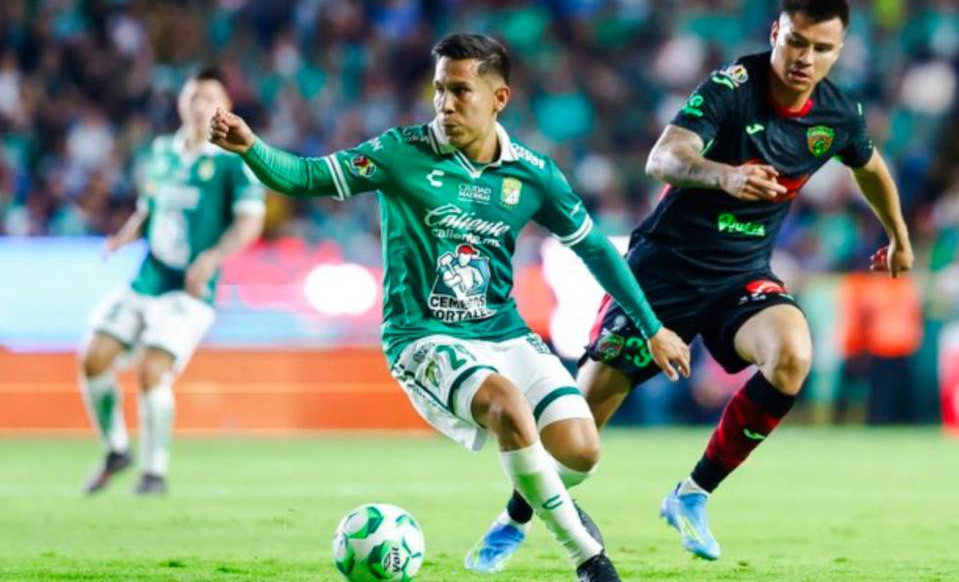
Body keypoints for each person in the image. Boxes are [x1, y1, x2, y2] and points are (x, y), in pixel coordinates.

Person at [208, 33, 689, 582]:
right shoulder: (401, 152)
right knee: (507, 406)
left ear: (498, 98)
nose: (445, 104)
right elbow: (305, 176)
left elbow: (596, 249)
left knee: (581, 450)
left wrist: (651, 327)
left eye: (460, 90)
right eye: (439, 90)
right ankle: (589, 558)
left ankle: (520, 513)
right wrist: (250, 146)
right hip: (423, 336)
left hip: (503, 332)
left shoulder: (532, 173)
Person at [471, 0, 914, 565]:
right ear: (776, 33)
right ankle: (515, 518)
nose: (806, 59)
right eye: (798, 42)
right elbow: (663, 159)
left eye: (823, 49)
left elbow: (870, 166)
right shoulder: (733, 88)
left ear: (839, 49)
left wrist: (899, 237)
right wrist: (724, 176)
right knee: (578, 438)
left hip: (740, 276)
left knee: (792, 356)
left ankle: (692, 493)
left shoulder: (836, 112)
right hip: (663, 273)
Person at [79, 68, 266, 495]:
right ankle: (115, 449)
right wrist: (123, 236)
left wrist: (212, 257)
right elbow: (149, 209)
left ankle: (154, 472)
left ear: (224, 108)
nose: (200, 106)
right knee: (93, 357)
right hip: (148, 277)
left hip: (191, 289)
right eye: (193, 97)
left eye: (209, 98)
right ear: (182, 103)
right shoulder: (162, 151)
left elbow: (249, 223)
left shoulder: (233, 162)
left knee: (152, 370)